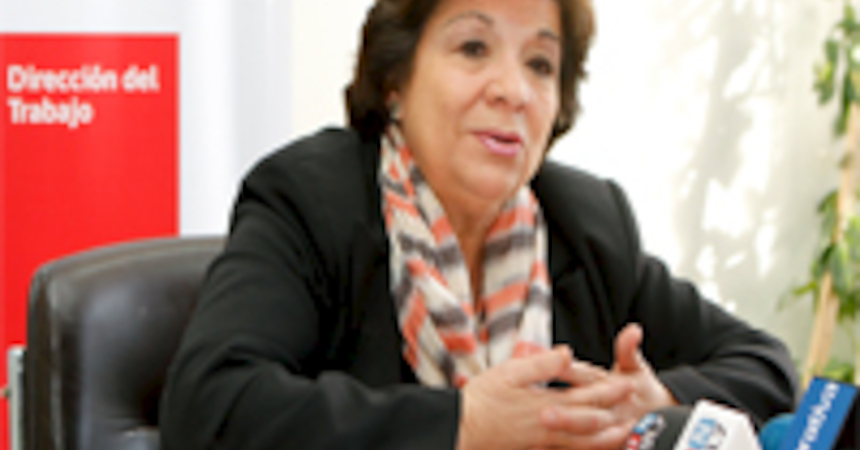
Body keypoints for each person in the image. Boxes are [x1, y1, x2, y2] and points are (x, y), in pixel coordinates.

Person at [159, 0, 798, 448]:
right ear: (395, 81)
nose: (512, 90)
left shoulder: (586, 222)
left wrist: (654, 400)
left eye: (540, 64)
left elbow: (766, 366)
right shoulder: (311, 199)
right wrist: (461, 424)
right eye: (473, 48)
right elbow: (211, 405)